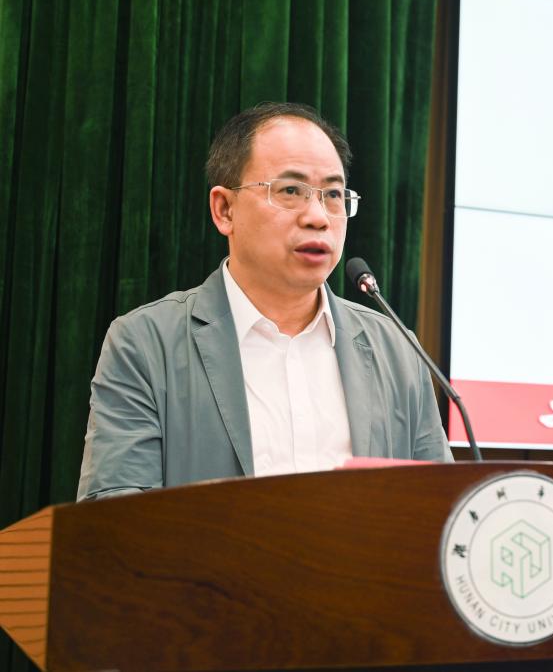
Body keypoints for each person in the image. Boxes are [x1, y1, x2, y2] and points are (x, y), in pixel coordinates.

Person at [77, 102, 452, 501]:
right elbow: (112, 511)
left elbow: (440, 508)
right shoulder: (146, 344)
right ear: (224, 210)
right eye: (290, 191)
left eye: (333, 194)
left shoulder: (397, 348)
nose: (318, 217)